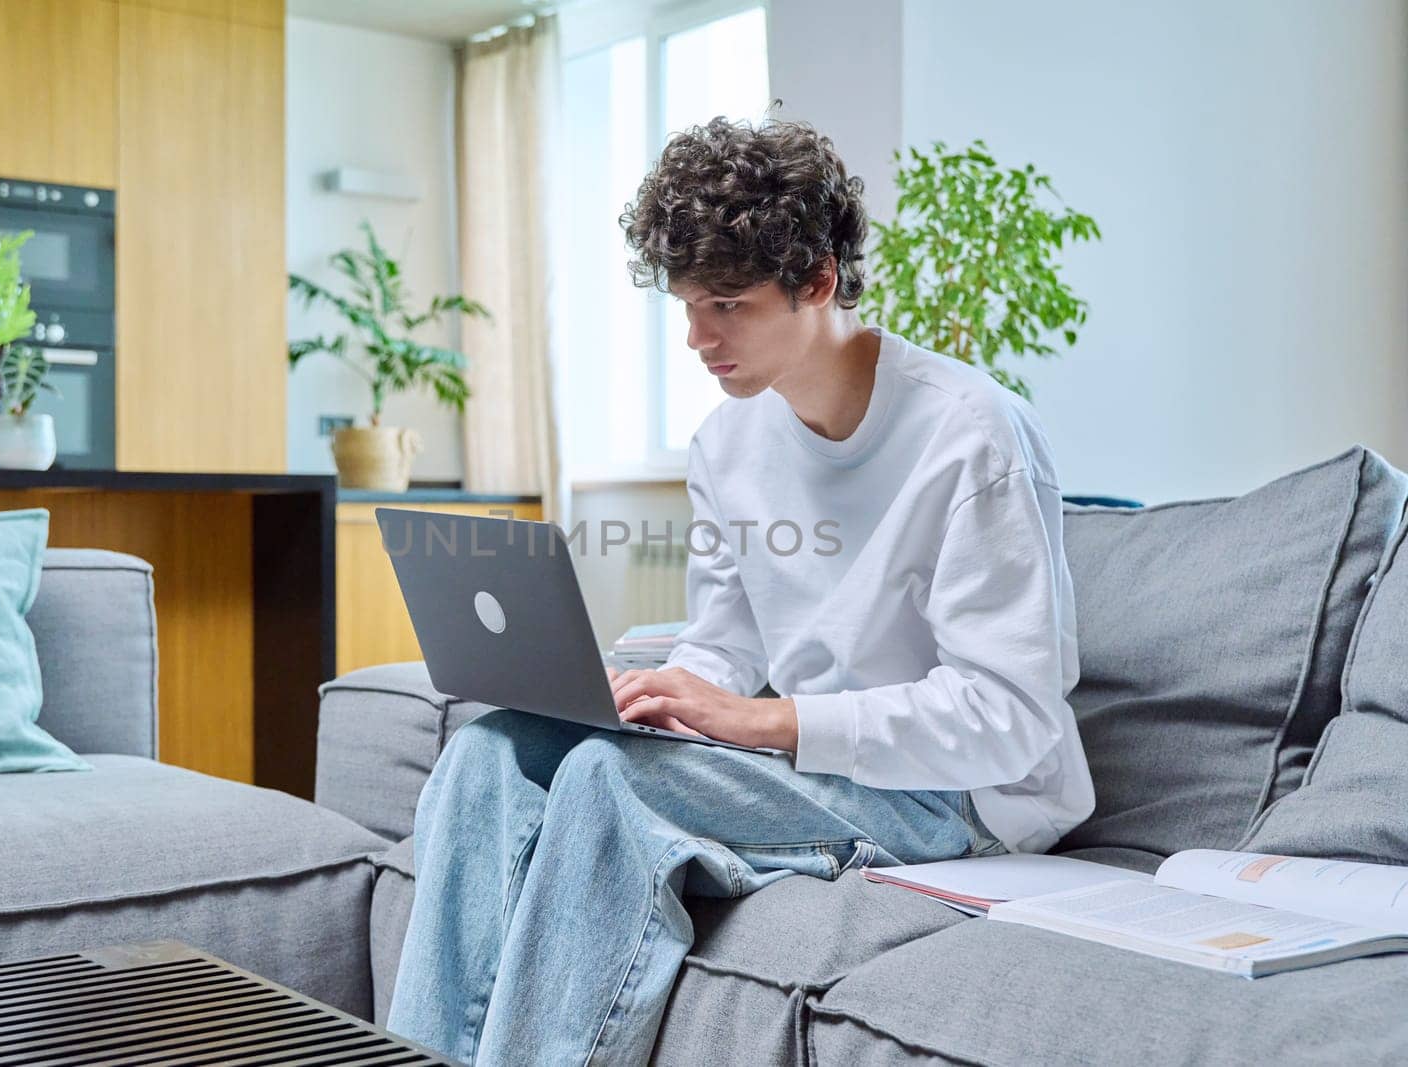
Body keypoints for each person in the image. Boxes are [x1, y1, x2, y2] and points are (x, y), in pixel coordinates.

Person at [386, 115, 1095, 1066]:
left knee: (606, 784)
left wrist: (758, 723)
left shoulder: (972, 434)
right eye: (686, 305)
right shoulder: (728, 441)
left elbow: (1010, 717)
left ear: (819, 282)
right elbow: (725, 642)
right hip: (817, 765)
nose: (697, 338)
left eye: (726, 304)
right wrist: (657, 694)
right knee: (490, 753)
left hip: (960, 794)